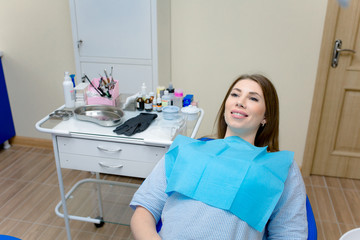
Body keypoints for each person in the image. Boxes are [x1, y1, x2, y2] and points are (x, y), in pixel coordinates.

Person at [130, 74, 308, 239]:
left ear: (266, 117)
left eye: (253, 98)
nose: (240, 102)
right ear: (225, 107)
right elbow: (145, 209)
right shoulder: (185, 150)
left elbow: (290, 234)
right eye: (235, 95)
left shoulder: (279, 167)